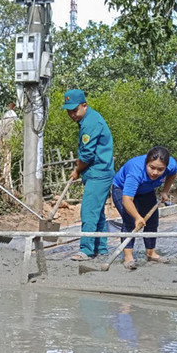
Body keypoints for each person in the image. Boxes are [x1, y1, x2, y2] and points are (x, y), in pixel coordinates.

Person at [62, 89, 116, 261]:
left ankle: (85, 250)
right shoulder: (89, 119)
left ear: (84, 105)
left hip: (98, 173)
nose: (71, 114)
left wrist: (77, 170)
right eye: (69, 111)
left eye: (74, 110)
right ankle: (101, 248)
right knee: (97, 212)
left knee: (88, 211)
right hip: (98, 171)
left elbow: (86, 156)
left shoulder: (90, 124)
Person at [111, 146, 177, 269]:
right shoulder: (135, 171)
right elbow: (127, 200)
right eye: (151, 167)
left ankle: (151, 253)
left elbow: (172, 175)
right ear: (146, 162)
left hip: (146, 190)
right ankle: (128, 257)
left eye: (160, 169)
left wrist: (165, 191)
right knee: (130, 221)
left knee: (152, 221)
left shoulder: (172, 165)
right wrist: (137, 217)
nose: (155, 173)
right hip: (122, 190)